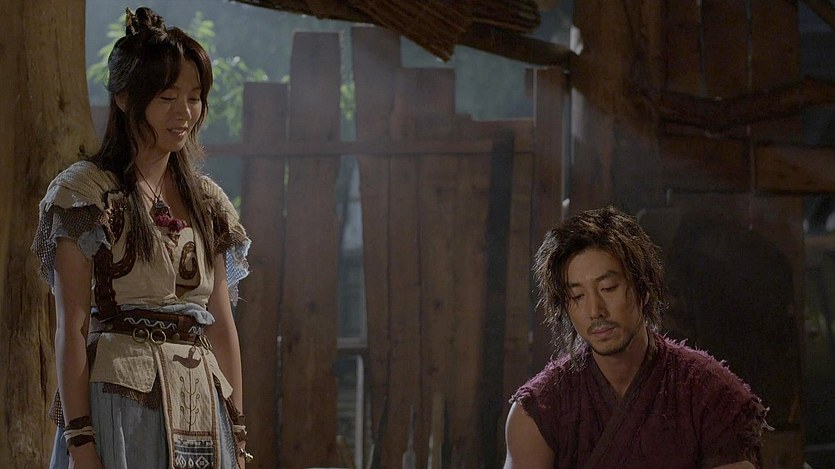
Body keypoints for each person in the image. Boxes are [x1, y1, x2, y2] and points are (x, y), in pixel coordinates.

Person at [32, 7, 252, 468]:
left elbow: (221, 324)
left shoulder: (207, 202)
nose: (184, 112)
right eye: (168, 97)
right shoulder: (84, 194)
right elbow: (71, 327)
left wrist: (236, 426)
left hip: (201, 400)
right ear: (125, 99)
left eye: (194, 98)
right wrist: (80, 440)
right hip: (121, 399)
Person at [503, 206, 768, 469]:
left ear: (644, 289)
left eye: (608, 288)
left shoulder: (712, 394)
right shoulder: (539, 411)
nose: (595, 310)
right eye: (577, 296)